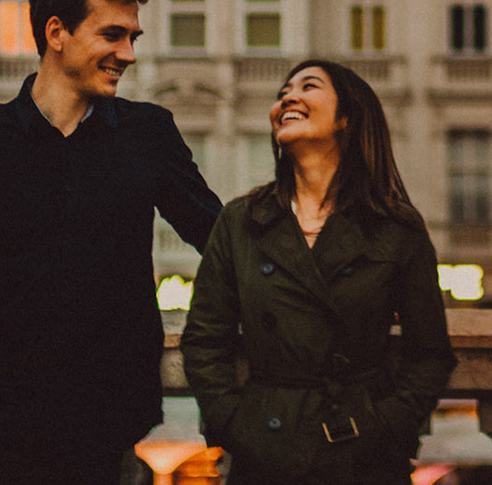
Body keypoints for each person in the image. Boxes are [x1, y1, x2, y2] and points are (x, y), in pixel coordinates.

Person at [0, 0, 223, 485]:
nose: (128, 54)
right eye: (113, 35)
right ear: (57, 32)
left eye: (133, 39)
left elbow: (220, 238)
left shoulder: (148, 133)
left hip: (105, 431)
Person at [182, 59, 457, 484]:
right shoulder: (242, 220)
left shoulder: (395, 227)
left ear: (347, 118)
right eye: (283, 93)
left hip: (360, 454)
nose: (288, 97)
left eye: (308, 86)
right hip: (266, 451)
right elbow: (204, 339)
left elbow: (430, 354)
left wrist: (383, 427)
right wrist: (235, 425)